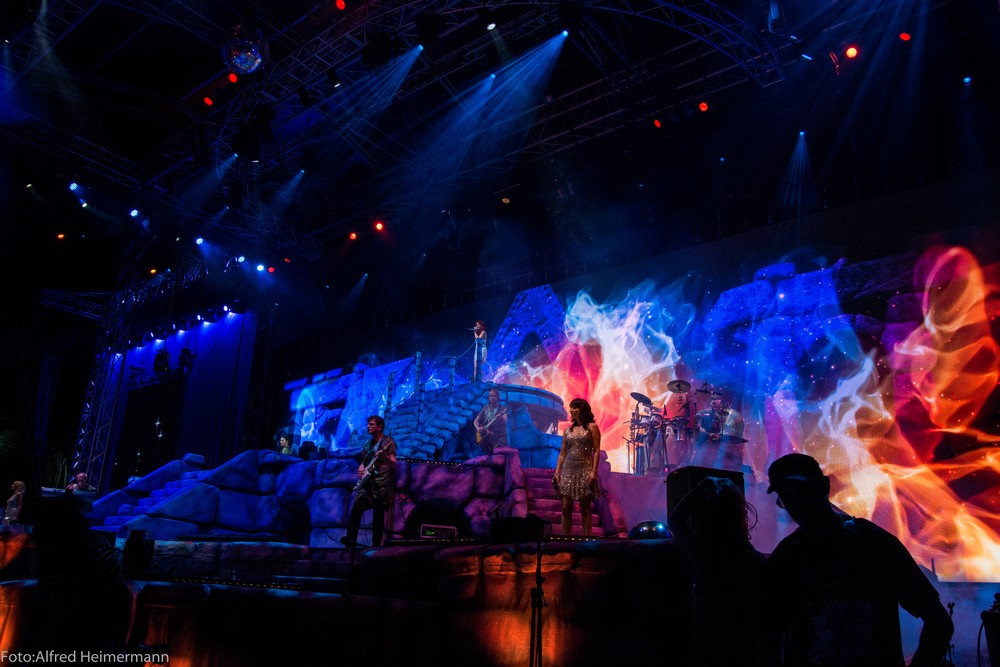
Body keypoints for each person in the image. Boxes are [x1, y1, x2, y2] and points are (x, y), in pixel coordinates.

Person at [766, 453, 954, 667]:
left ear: (824, 486)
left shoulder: (874, 543)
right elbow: (769, 635)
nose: (796, 505)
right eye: (786, 498)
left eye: (802, 492)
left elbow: (939, 623)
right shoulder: (786, 558)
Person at [669, 477, 775, 666]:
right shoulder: (757, 563)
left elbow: (676, 519)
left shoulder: (705, 559)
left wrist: (702, 486)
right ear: (739, 516)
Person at [343, 415, 397, 548]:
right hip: (367, 484)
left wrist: (384, 456)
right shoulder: (367, 444)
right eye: (368, 424)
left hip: (381, 485)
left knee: (377, 517)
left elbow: (394, 464)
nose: (368, 426)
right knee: (356, 510)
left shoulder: (388, 442)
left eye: (371, 424)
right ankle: (350, 541)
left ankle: (375, 548)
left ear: (380, 427)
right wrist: (361, 469)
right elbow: (364, 462)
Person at [552, 398, 601, 537]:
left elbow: (597, 451)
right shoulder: (568, 430)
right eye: (571, 407)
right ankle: (565, 539)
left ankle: (587, 540)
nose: (571, 410)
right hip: (568, 470)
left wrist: (594, 471)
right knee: (566, 507)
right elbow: (562, 453)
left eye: (574, 407)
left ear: (582, 410)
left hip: (585, 469)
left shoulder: (592, 427)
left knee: (585, 508)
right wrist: (557, 472)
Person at [473, 388, 509, 455]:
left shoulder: (502, 409)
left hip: (499, 438)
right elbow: (476, 421)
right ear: (488, 397)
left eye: (494, 396)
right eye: (491, 396)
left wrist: (500, 417)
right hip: (487, 439)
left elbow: (505, 419)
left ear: (498, 398)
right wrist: (477, 428)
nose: (492, 397)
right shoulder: (486, 408)